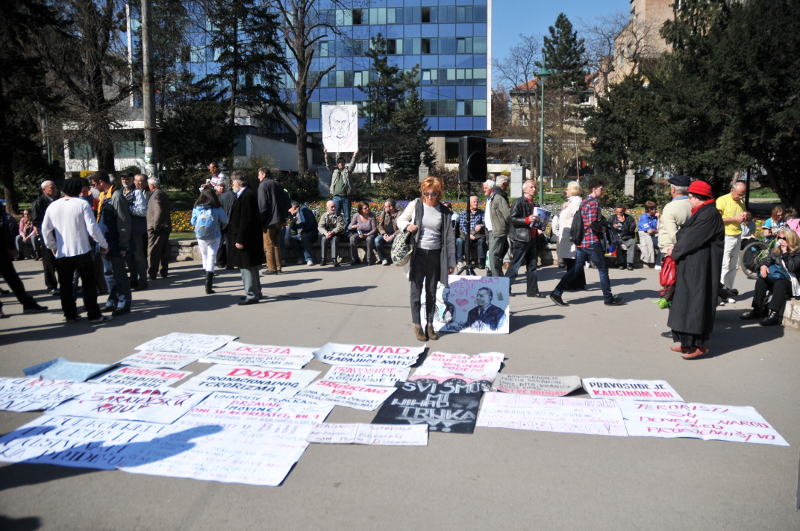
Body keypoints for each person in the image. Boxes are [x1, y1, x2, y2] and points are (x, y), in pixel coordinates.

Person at [665, 180, 725, 359]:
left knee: (695, 303)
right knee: (684, 303)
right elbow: (685, 235)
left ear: (701, 197)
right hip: (691, 264)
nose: (689, 200)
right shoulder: (702, 211)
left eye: (691, 197)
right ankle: (686, 343)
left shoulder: (709, 214)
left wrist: (674, 251)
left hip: (701, 267)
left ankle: (699, 345)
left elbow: (690, 238)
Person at [41, 178, 112, 324]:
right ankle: (93, 314)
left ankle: (70, 314)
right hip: (82, 250)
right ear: (78, 190)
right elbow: (92, 228)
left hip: (62, 253)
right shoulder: (82, 204)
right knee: (88, 284)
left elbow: (45, 229)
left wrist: (53, 246)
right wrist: (103, 244)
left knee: (66, 285)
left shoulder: (53, 205)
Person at [397, 177, 456, 341]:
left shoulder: (444, 212)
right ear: (423, 192)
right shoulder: (416, 204)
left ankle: (429, 325)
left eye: (433, 193)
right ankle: (417, 325)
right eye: (426, 193)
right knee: (416, 291)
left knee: (431, 292)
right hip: (418, 254)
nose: (429, 197)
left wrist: (451, 262)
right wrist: (407, 226)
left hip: (436, 254)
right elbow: (400, 219)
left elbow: (450, 239)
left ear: (439, 193)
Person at [550, 178, 623, 307]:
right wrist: (602, 228)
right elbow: (590, 223)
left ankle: (556, 292)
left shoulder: (584, 201)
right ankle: (608, 297)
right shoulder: (593, 203)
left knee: (575, 269)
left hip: (581, 242)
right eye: (601, 188)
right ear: (594, 189)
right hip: (592, 241)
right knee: (603, 269)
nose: (603, 191)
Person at [91, 172, 132, 316]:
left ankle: (123, 303)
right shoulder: (103, 196)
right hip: (104, 241)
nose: (93, 187)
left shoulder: (116, 196)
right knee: (108, 273)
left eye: (94, 184)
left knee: (119, 274)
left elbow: (123, 221)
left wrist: (123, 244)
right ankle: (112, 300)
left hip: (115, 242)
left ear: (101, 182)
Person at [741, 229, 800, 326]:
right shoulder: (776, 250)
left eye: (784, 238)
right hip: (778, 277)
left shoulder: (798, 251)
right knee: (761, 280)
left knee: (779, 283)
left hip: (793, 282)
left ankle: (774, 314)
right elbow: (766, 260)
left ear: (791, 239)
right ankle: (757, 310)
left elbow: (792, 267)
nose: (781, 241)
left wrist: (785, 253)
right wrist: (763, 266)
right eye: (779, 238)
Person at [0, 200, 48, 318]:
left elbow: (4, 227)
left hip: (1, 249)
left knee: (12, 278)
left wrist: (10, 246)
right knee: (12, 278)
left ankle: (28, 304)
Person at [228, 171, 264, 305]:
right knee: (252, 266)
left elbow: (246, 220)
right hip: (249, 238)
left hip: (246, 239)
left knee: (247, 267)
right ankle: (256, 292)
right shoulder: (246, 194)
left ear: (237, 182)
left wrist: (240, 239)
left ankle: (252, 294)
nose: (232, 184)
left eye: (233, 182)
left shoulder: (246, 196)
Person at [505, 181, 545, 297]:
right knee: (515, 265)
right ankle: (504, 289)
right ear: (525, 190)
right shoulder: (519, 202)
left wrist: (540, 226)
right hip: (521, 239)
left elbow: (536, 220)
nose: (534, 189)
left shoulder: (535, 204)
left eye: (535, 187)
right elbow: (512, 219)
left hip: (532, 238)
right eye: (531, 187)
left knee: (532, 266)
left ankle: (532, 291)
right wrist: (527, 219)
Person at [191, 187, 229, 294]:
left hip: (200, 236)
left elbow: (193, 222)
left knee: (204, 256)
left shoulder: (197, 208)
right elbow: (226, 219)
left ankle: (205, 275)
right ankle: (208, 286)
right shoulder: (217, 208)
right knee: (211, 258)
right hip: (215, 235)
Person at [717, 181, 749, 299]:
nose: (741, 197)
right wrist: (734, 219)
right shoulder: (722, 200)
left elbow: (743, 214)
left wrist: (745, 216)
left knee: (733, 266)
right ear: (732, 190)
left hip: (737, 235)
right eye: (739, 194)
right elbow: (717, 220)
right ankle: (719, 293)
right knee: (724, 265)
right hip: (725, 235)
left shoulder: (741, 201)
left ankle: (728, 292)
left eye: (743, 194)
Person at [257, 167, 289, 275]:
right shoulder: (278, 184)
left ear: (264, 174)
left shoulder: (263, 185)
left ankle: (272, 268)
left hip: (269, 219)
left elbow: (263, 205)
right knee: (276, 243)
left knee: (268, 244)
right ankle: (278, 266)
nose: (258, 177)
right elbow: (287, 202)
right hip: (279, 218)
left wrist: (261, 220)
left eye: (259, 175)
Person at [31, 180, 60, 295]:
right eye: (51, 188)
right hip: (47, 236)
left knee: (61, 262)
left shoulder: (58, 201)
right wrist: (46, 231)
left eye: (55, 188)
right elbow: (36, 221)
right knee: (49, 263)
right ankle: (51, 286)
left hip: (60, 236)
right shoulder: (39, 202)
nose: (54, 190)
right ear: (44, 190)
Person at [556, 181, 586, 290]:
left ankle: (573, 283)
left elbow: (577, 220)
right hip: (568, 235)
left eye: (568, 189)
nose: (566, 191)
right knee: (572, 261)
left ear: (573, 190)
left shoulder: (576, 202)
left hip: (571, 236)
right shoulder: (572, 202)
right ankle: (579, 283)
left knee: (572, 261)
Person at [121, 173, 148, 291]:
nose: (125, 181)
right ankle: (133, 280)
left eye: (127, 179)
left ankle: (142, 281)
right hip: (124, 231)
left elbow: (142, 211)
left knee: (138, 256)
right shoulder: (119, 192)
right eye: (123, 179)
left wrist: (128, 209)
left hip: (135, 230)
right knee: (128, 256)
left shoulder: (137, 193)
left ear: (132, 180)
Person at [324, 148, 358, 228]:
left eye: (342, 162)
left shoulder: (347, 171)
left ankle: (346, 231)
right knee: (335, 215)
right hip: (336, 198)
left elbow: (352, 165)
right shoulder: (334, 171)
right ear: (337, 163)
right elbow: (328, 165)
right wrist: (326, 155)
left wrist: (355, 155)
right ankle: (336, 230)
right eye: (339, 162)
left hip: (346, 197)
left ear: (344, 163)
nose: (341, 164)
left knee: (347, 216)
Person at [146, 177, 172, 280]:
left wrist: (155, 226)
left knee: (153, 251)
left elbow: (158, 211)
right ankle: (163, 271)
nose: (148, 186)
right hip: (165, 227)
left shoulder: (156, 195)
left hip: (157, 228)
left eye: (149, 184)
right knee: (163, 251)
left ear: (152, 185)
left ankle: (152, 273)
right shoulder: (162, 193)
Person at [486, 175, 510, 277]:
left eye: (485, 188)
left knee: (493, 255)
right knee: (494, 255)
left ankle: (498, 279)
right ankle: (497, 277)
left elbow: (507, 215)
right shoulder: (493, 197)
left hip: (497, 231)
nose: (483, 190)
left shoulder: (499, 197)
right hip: (492, 230)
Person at [456, 196, 487, 269]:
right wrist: (468, 234)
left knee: (481, 241)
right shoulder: (464, 212)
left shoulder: (481, 212)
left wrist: (480, 225)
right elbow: (462, 225)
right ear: (469, 203)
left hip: (478, 234)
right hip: (468, 234)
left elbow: (485, 222)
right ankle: (469, 261)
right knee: (467, 242)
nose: (476, 203)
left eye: (477, 202)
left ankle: (480, 262)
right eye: (474, 202)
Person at [287, 201, 318, 266]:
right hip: (300, 234)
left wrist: (304, 231)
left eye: (289, 209)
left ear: (294, 207)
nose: (289, 211)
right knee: (291, 239)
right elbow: (293, 229)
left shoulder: (305, 210)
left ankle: (309, 259)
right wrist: (293, 222)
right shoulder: (294, 215)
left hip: (311, 232)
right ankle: (300, 258)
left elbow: (310, 223)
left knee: (305, 238)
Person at [317, 200, 345, 267]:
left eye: (334, 207)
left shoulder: (339, 215)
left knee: (335, 240)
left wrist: (333, 232)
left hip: (335, 233)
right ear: (327, 207)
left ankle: (335, 259)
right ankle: (323, 259)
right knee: (324, 239)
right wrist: (326, 233)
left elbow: (340, 226)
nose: (333, 208)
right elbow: (320, 227)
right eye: (332, 207)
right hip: (326, 233)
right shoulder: (324, 216)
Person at [215, 179, 235, 269]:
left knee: (220, 242)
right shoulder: (234, 196)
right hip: (231, 222)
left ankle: (220, 261)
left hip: (222, 222)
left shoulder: (221, 197)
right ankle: (230, 263)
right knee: (229, 243)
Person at [610, 204, 637, 271]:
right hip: (616, 236)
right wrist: (612, 227)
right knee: (616, 243)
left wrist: (624, 222)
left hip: (626, 237)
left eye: (620, 212)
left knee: (632, 243)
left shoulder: (630, 218)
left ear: (624, 211)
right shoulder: (612, 218)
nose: (618, 214)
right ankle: (620, 263)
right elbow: (607, 226)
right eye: (617, 212)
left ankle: (629, 263)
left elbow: (631, 229)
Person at [375, 199, 400, 265]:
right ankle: (383, 258)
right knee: (377, 240)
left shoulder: (399, 214)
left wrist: (392, 236)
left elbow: (401, 228)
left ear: (391, 207)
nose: (384, 207)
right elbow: (380, 225)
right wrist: (384, 234)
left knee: (397, 241)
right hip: (386, 234)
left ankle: (395, 259)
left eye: (385, 206)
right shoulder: (384, 213)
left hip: (395, 235)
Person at [638, 201, 661, 269]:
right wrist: (657, 231)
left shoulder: (654, 217)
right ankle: (658, 264)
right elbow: (649, 231)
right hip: (646, 236)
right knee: (661, 245)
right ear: (650, 210)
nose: (656, 210)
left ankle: (659, 263)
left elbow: (658, 227)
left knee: (664, 243)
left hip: (654, 235)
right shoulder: (644, 217)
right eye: (654, 209)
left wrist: (659, 218)